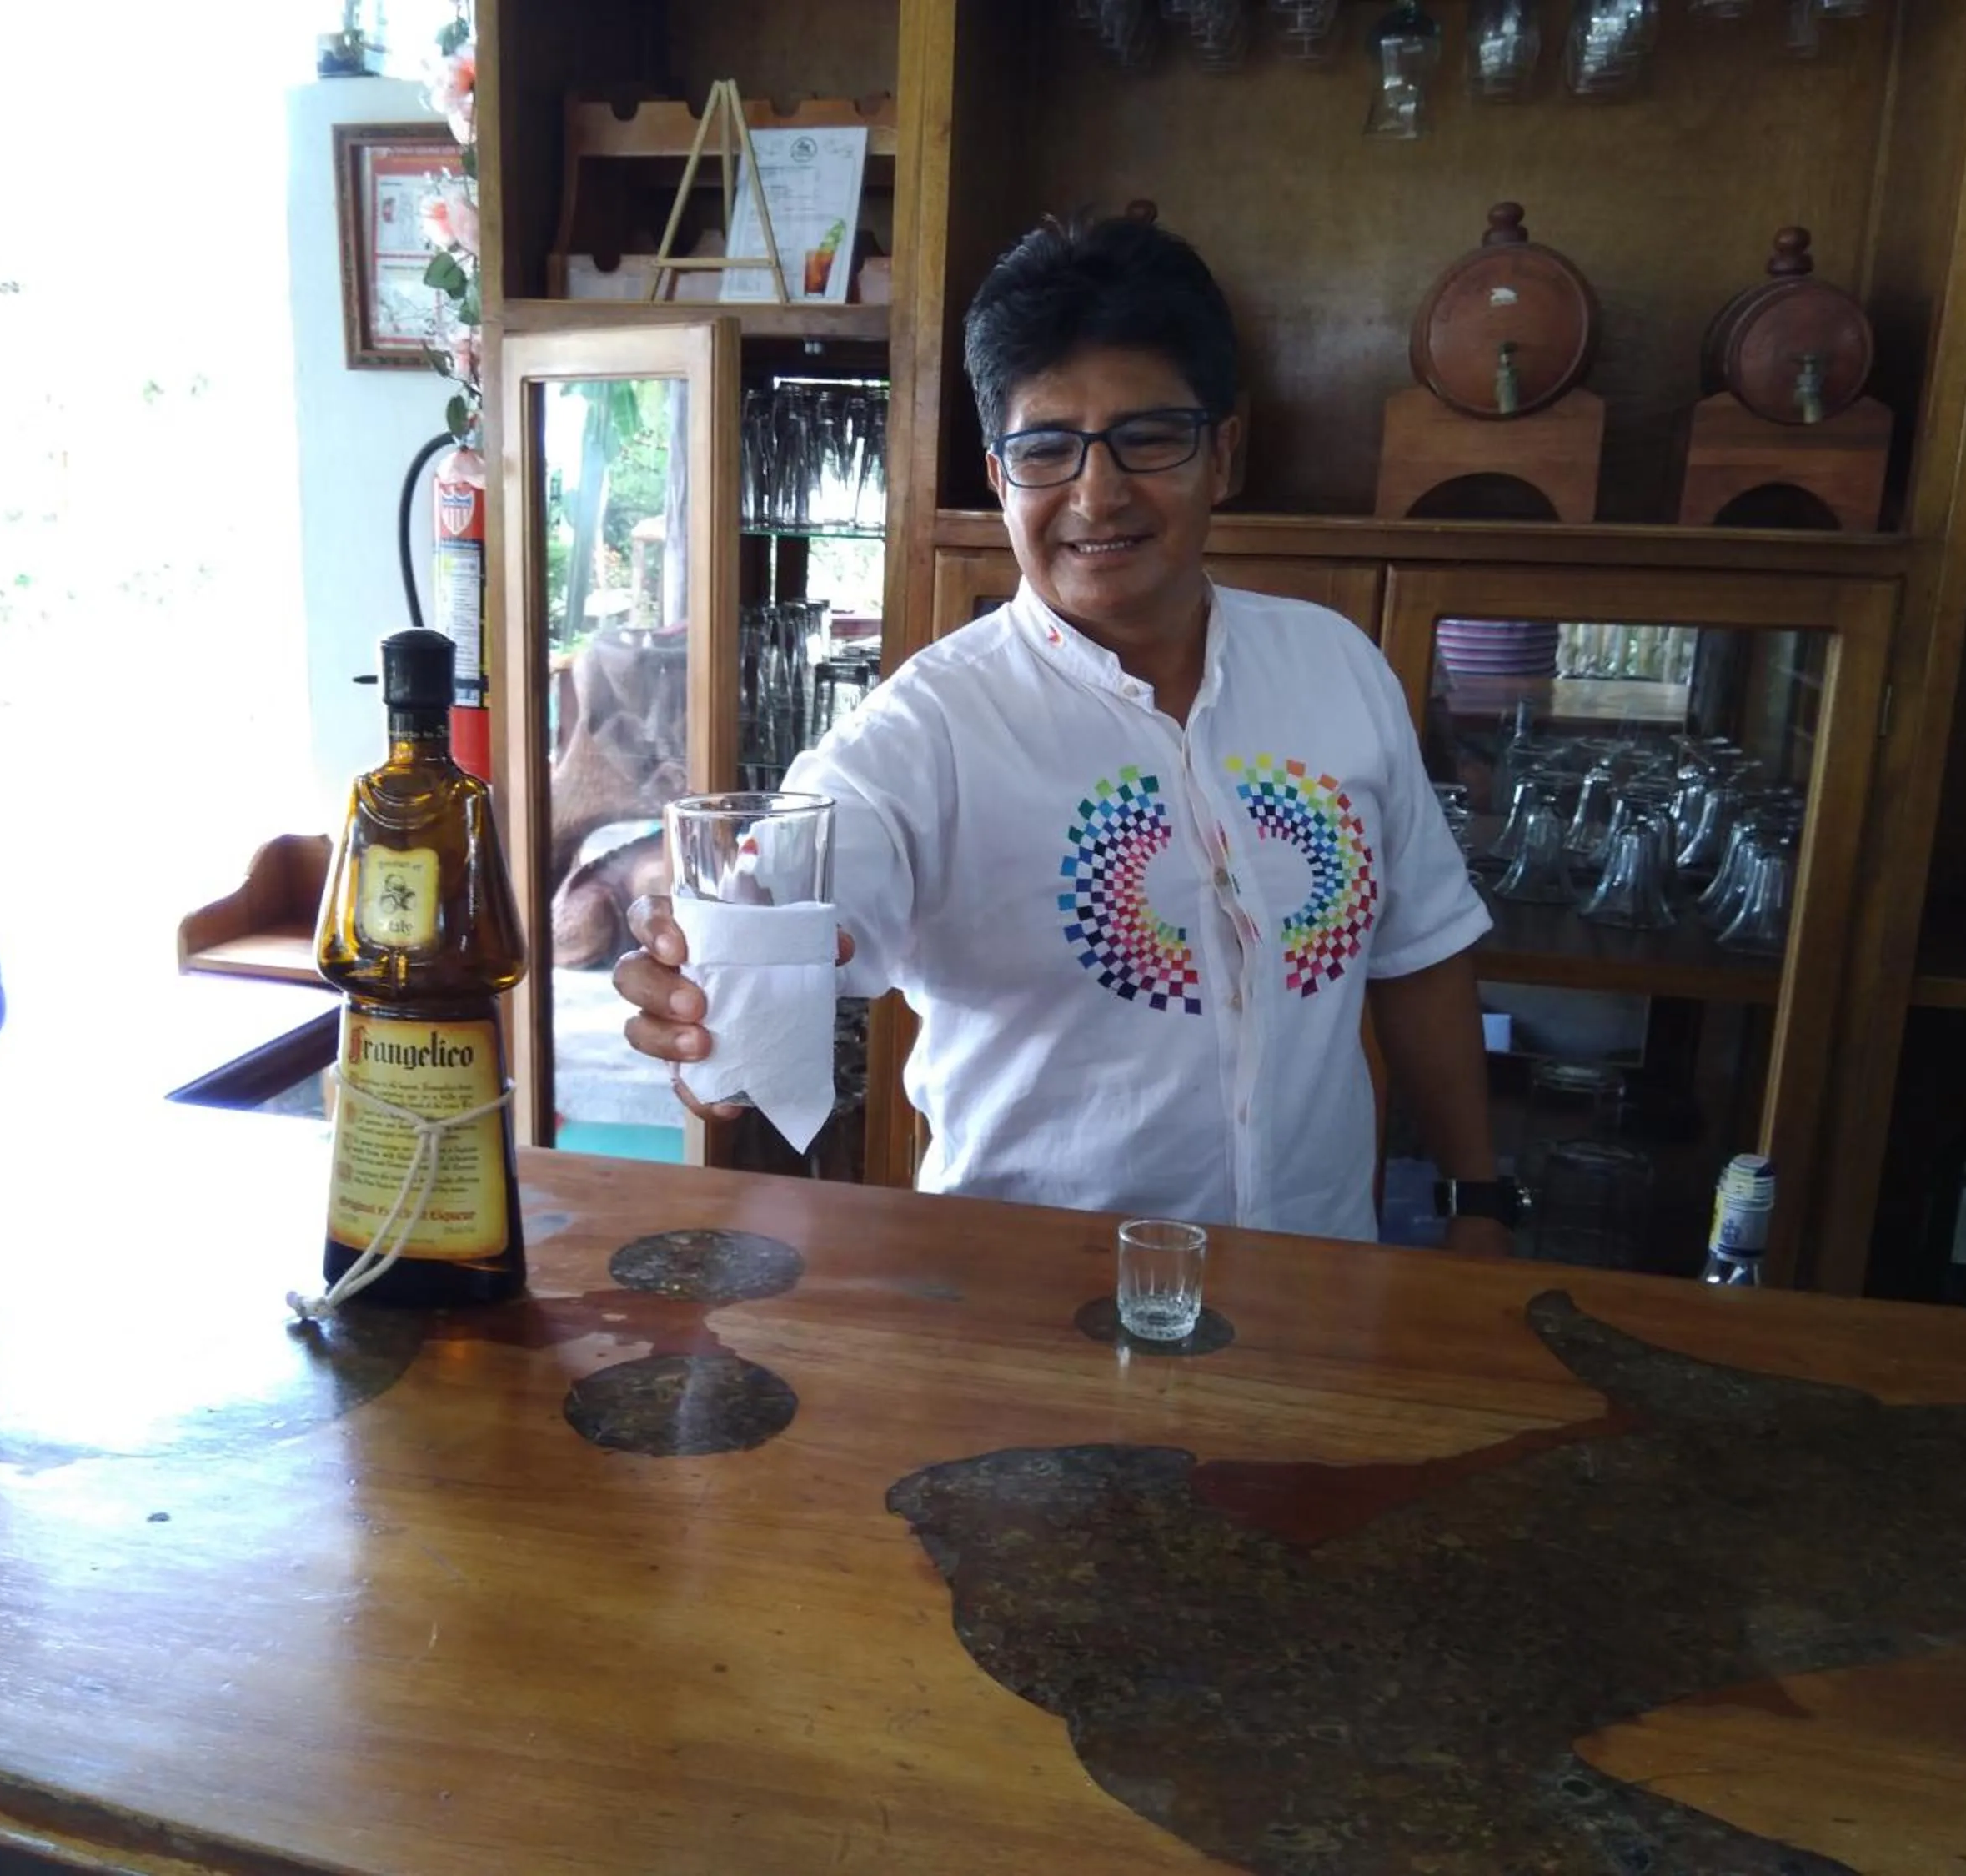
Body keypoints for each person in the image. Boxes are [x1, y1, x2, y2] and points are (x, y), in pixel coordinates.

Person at [616, 214, 1513, 1254]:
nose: (1098, 492)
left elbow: (1422, 953)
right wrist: (707, 968)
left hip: (1310, 1291)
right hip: (1027, 1314)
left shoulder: (1337, 671)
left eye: (1149, 438)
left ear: (1224, 451)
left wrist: (1475, 1199)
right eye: (1047, 449)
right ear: (1000, 480)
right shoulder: (931, 729)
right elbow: (798, 874)